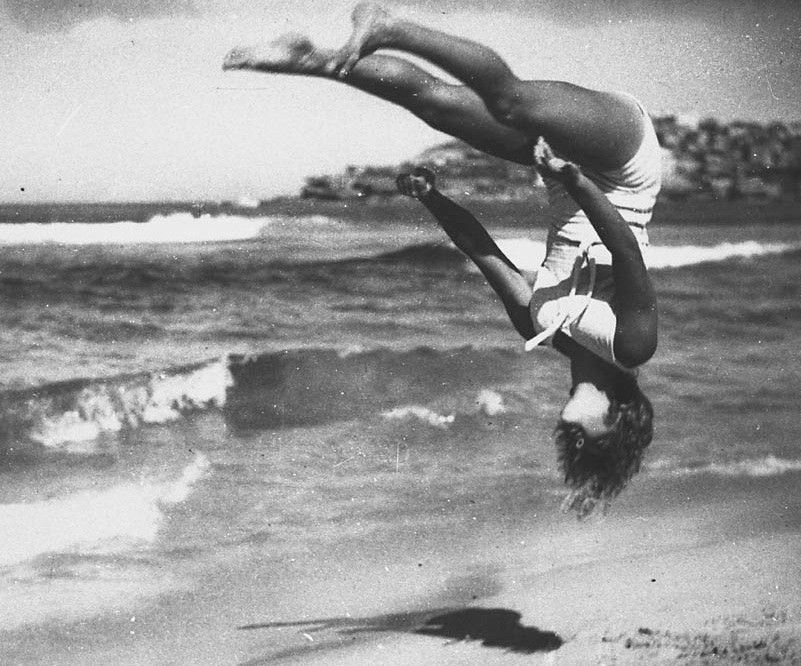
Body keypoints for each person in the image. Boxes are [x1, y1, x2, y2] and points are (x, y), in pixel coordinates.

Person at [224, 3, 660, 517]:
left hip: (568, 175)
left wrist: (431, 197)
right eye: (589, 442)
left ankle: (312, 59)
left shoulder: (537, 325)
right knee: (510, 103)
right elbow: (625, 249)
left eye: (574, 449)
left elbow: (481, 251)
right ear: (618, 418)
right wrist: (574, 180)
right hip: (622, 163)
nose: (570, 437)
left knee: (435, 106)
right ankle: (388, 26)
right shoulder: (631, 345)